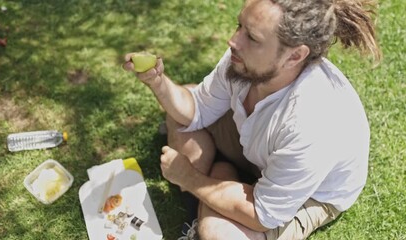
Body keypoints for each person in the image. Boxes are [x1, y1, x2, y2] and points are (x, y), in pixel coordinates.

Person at [123, 0, 381, 239]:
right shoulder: (244, 61)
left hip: (307, 194)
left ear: (295, 56)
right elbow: (197, 108)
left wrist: (190, 178)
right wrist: (157, 82)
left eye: (252, 37)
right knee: (180, 118)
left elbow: (262, 214)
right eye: (240, 26)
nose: (233, 41)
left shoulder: (313, 122)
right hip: (257, 146)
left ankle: (206, 200)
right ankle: (220, 184)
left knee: (217, 233)